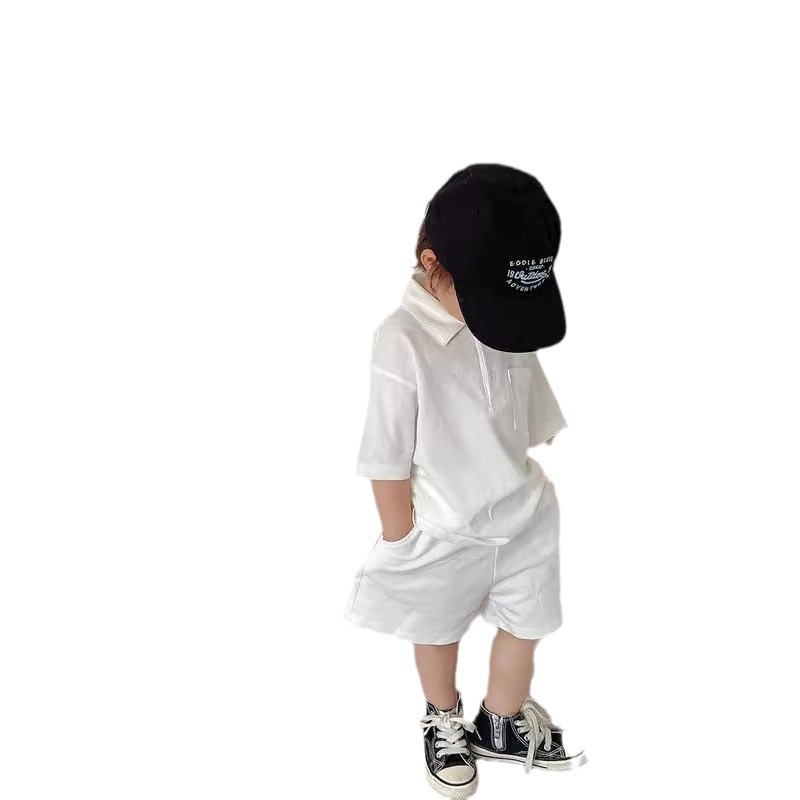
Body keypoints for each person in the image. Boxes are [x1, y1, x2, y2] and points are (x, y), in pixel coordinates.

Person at [345, 164, 586, 798]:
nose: (505, 318)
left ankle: (500, 722)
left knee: (529, 623)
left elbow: (525, 403)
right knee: (437, 629)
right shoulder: (400, 341)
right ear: (434, 265)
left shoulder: (504, 320)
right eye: (493, 302)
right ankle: (444, 717)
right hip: (444, 526)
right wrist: (402, 538)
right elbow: (386, 453)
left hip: (523, 515)